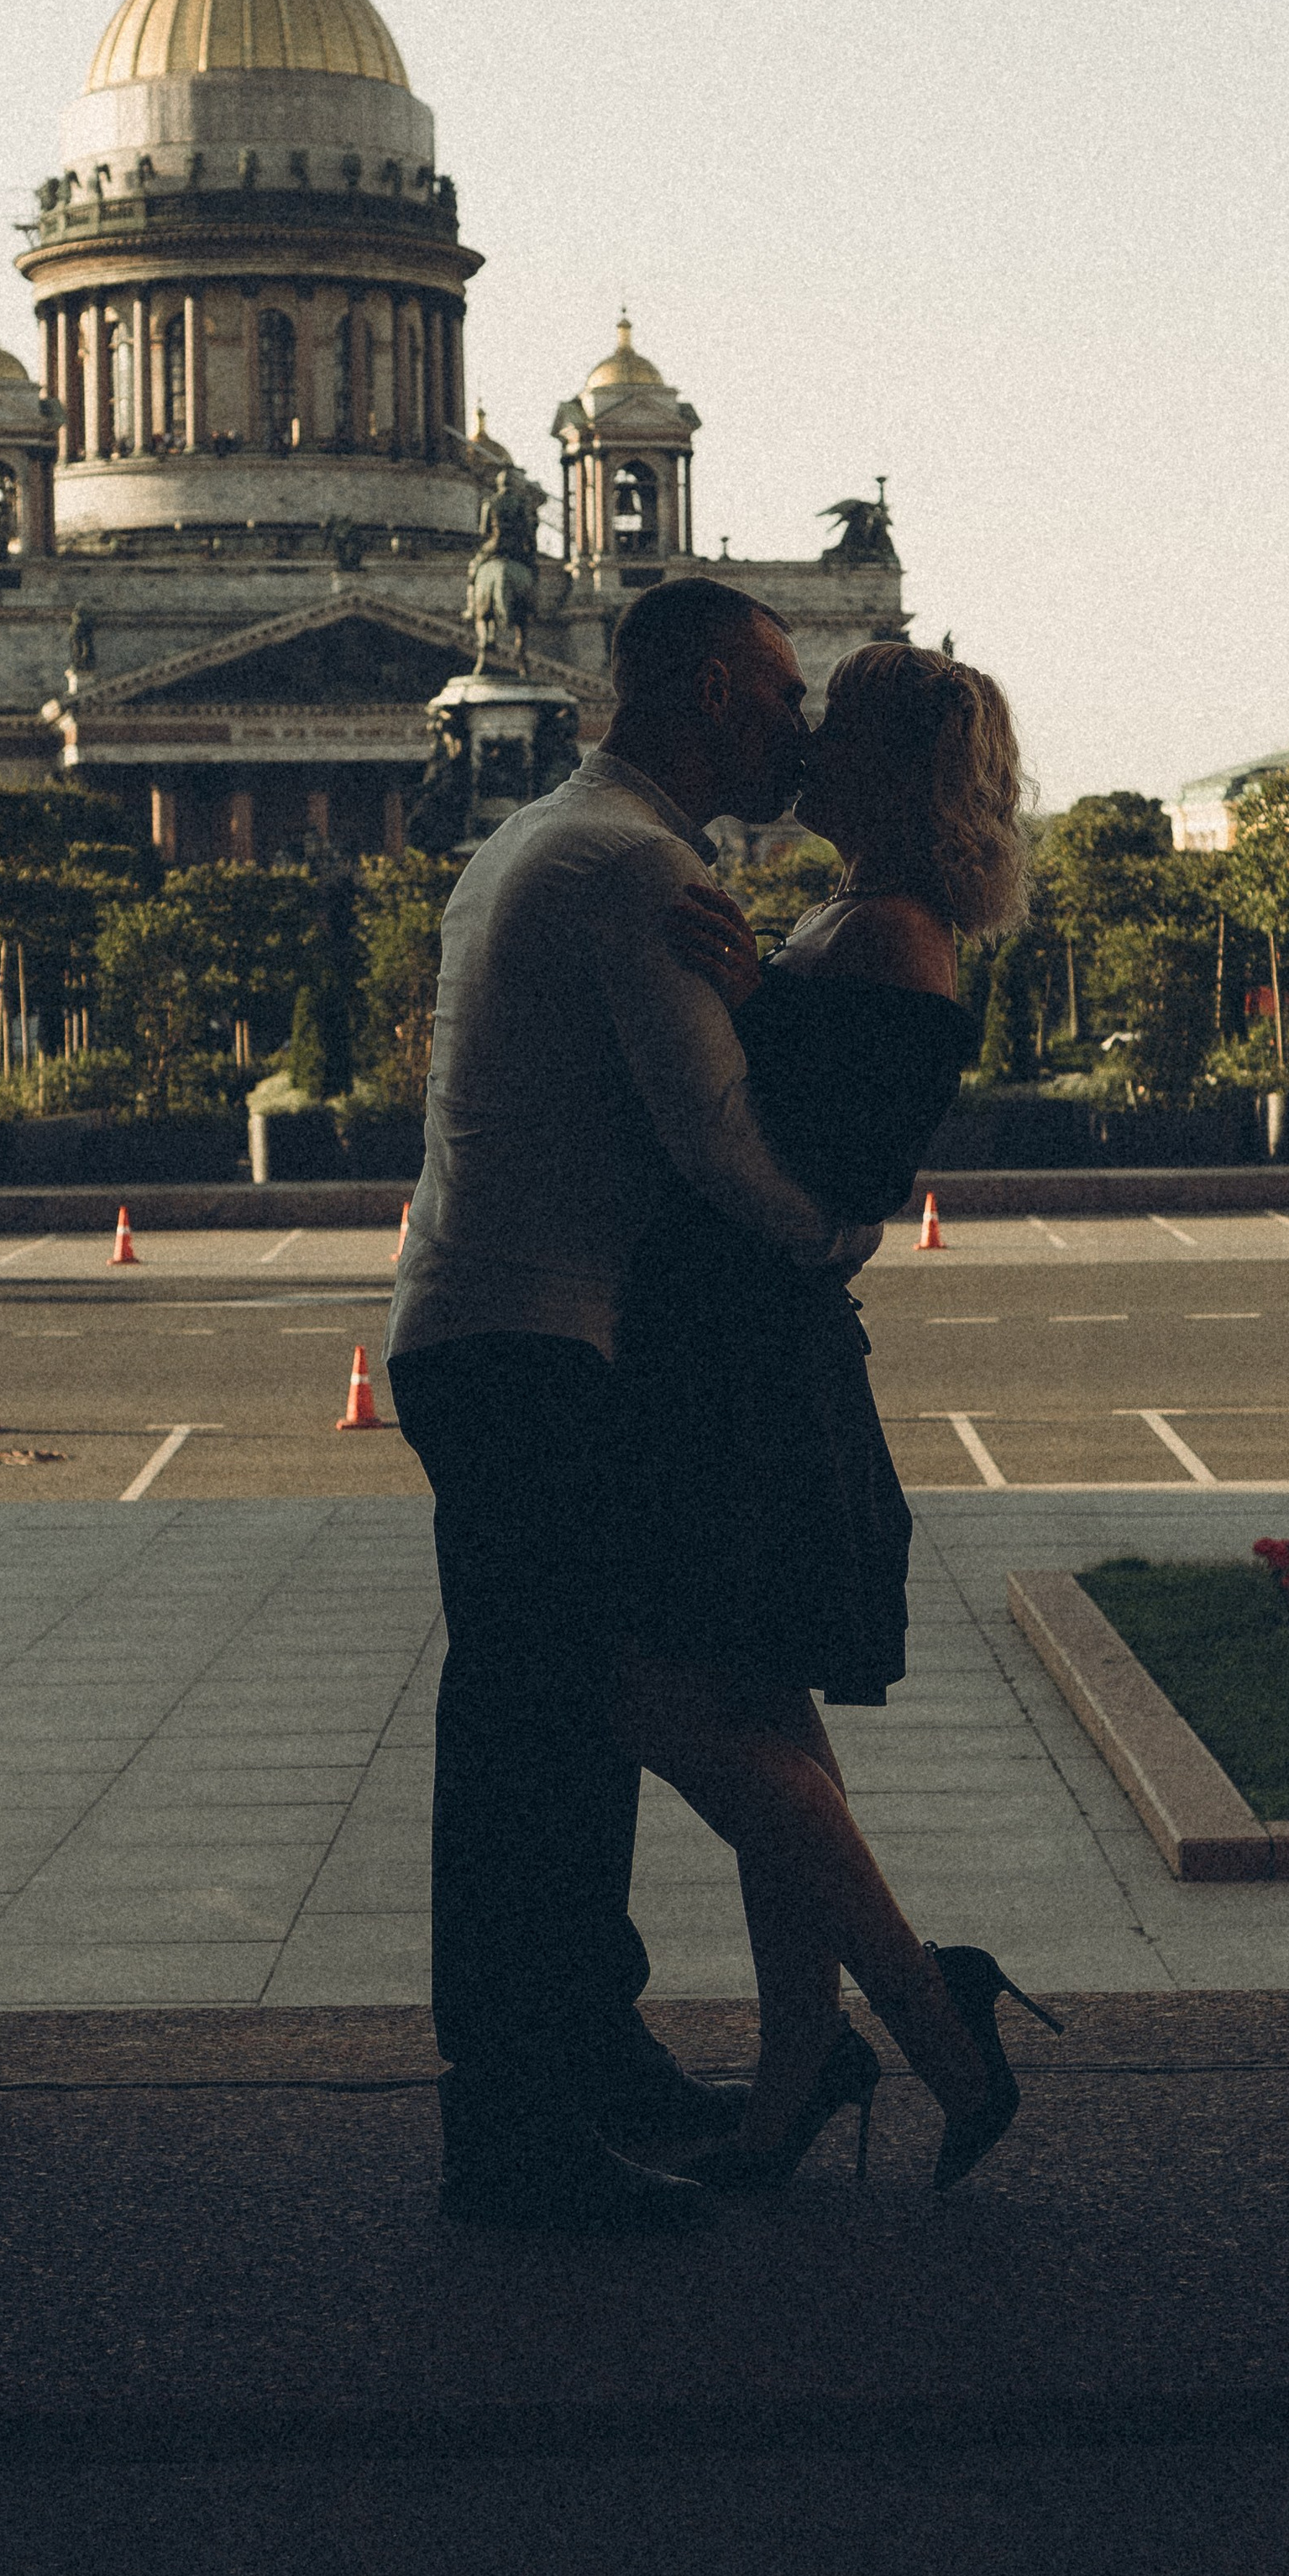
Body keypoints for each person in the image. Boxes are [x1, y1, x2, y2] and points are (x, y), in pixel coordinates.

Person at [385, 577, 881, 2234]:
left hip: (489, 1329)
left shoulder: (552, 835)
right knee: (534, 1756)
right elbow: (716, 1137)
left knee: (564, 1735)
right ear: (712, 692)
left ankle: (588, 2067)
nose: (801, 725)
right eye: (783, 692)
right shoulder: (631, 867)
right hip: (537, 1347)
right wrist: (839, 1234)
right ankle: (514, 2134)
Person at [622, 640, 1061, 2193]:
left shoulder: (892, 932)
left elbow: (858, 1162)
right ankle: (797, 2074)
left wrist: (753, 998)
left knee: (663, 1698)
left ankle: (930, 2009)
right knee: (764, 1717)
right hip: (746, 1351)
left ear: (885, 764)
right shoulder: (855, 912)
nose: (799, 736)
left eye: (832, 722)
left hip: (755, 1368)